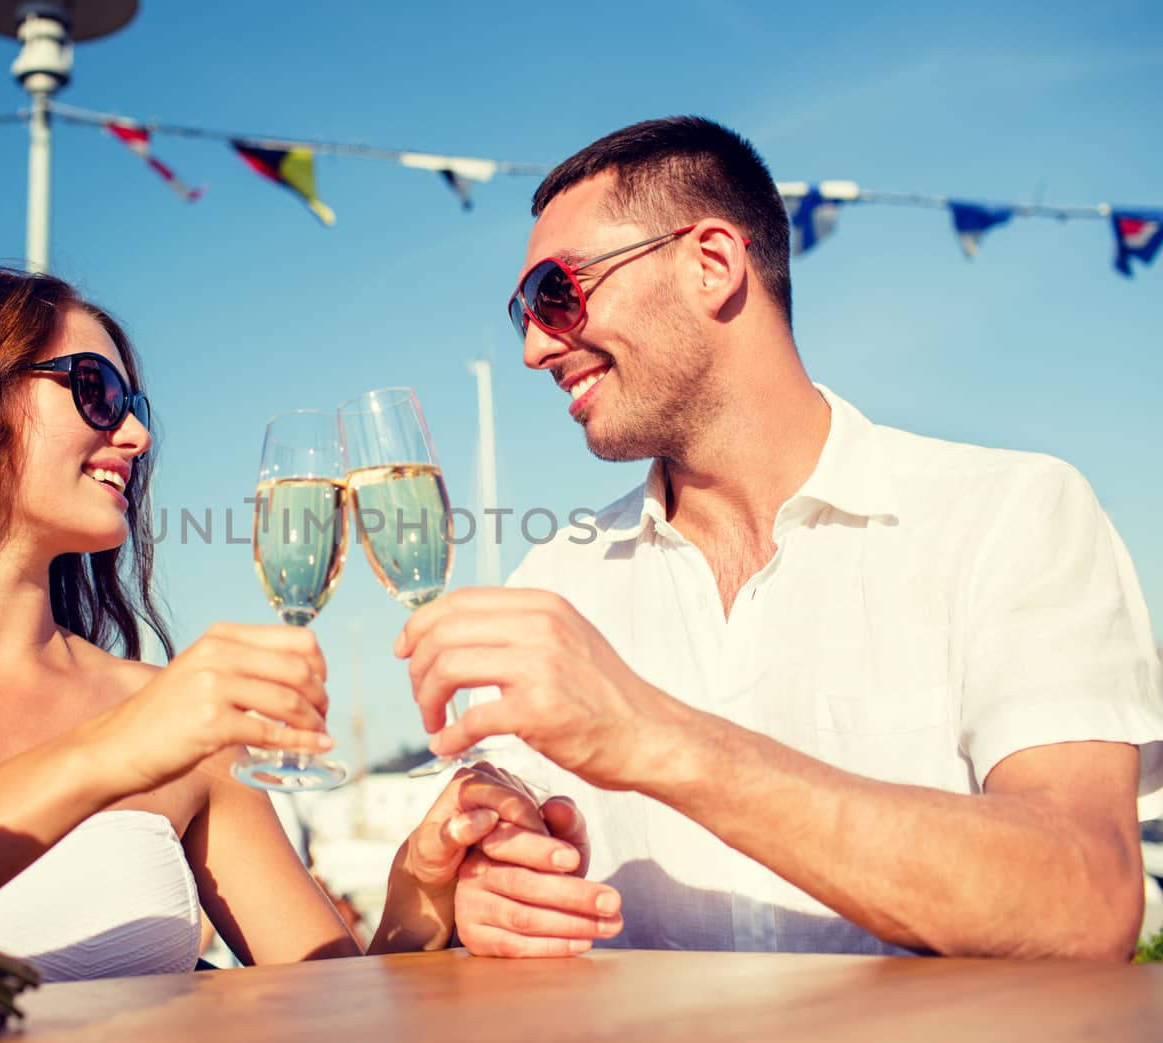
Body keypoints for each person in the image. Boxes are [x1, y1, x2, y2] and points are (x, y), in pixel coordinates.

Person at [399, 116, 1163, 961]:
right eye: (524, 315)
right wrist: (475, 881)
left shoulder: (1012, 515)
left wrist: (655, 735)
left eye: (556, 291)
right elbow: (456, 878)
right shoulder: (551, 583)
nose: (536, 347)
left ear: (712, 264)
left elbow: (1087, 903)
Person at [0, 265, 618, 980]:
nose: (137, 434)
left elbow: (335, 1001)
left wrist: (420, 890)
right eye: (94, 392)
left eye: (132, 401)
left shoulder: (180, 721)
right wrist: (120, 747)